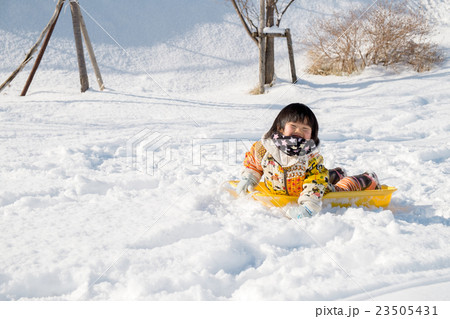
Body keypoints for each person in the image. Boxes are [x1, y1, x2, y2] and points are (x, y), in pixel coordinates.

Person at [236, 103, 380, 219]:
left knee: (338, 187)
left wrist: (309, 205)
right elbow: (253, 163)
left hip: (313, 190)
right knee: (321, 175)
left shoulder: (310, 156)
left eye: (305, 129)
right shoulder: (264, 148)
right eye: (293, 126)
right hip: (283, 188)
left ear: (312, 135)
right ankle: (337, 173)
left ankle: (367, 179)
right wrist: (249, 177)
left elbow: (315, 180)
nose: (298, 131)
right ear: (280, 127)